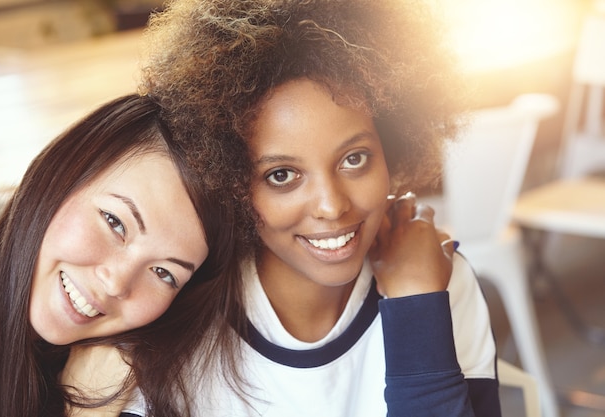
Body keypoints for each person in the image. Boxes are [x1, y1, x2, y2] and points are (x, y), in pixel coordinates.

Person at [66, 0, 501, 415]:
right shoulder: (177, 315)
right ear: (229, 180)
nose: (332, 206)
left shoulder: (437, 280)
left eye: (355, 159)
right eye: (281, 175)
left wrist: (417, 306)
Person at [0, 94, 244, 417]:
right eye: (115, 222)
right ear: (59, 174)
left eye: (164, 273)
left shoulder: (131, 380)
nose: (117, 283)